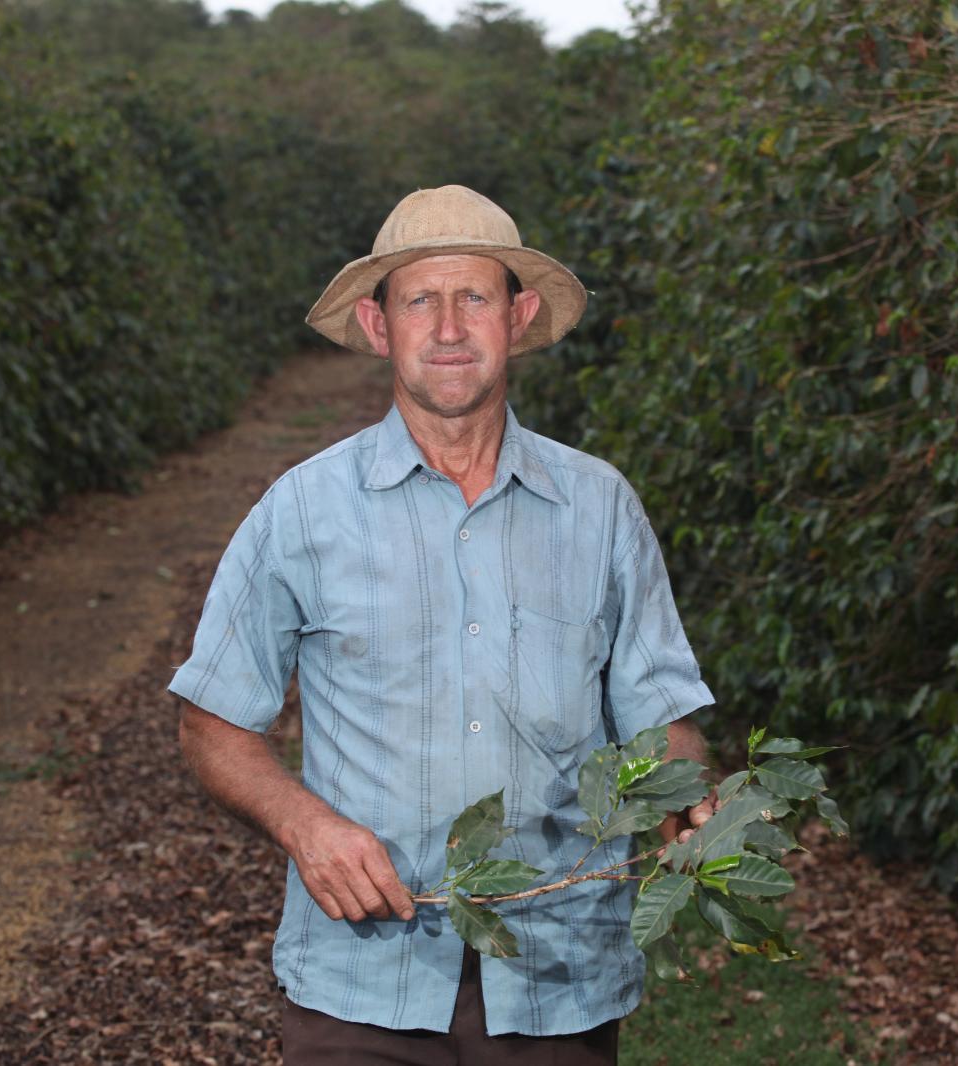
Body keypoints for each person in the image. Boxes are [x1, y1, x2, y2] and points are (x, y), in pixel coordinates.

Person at [172, 185, 715, 1064]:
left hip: (558, 978)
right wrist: (306, 827)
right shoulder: (302, 512)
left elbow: (660, 718)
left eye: (475, 297)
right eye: (420, 299)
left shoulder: (601, 508)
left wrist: (682, 802)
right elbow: (211, 722)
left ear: (520, 313)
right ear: (380, 326)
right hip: (361, 984)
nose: (450, 327)